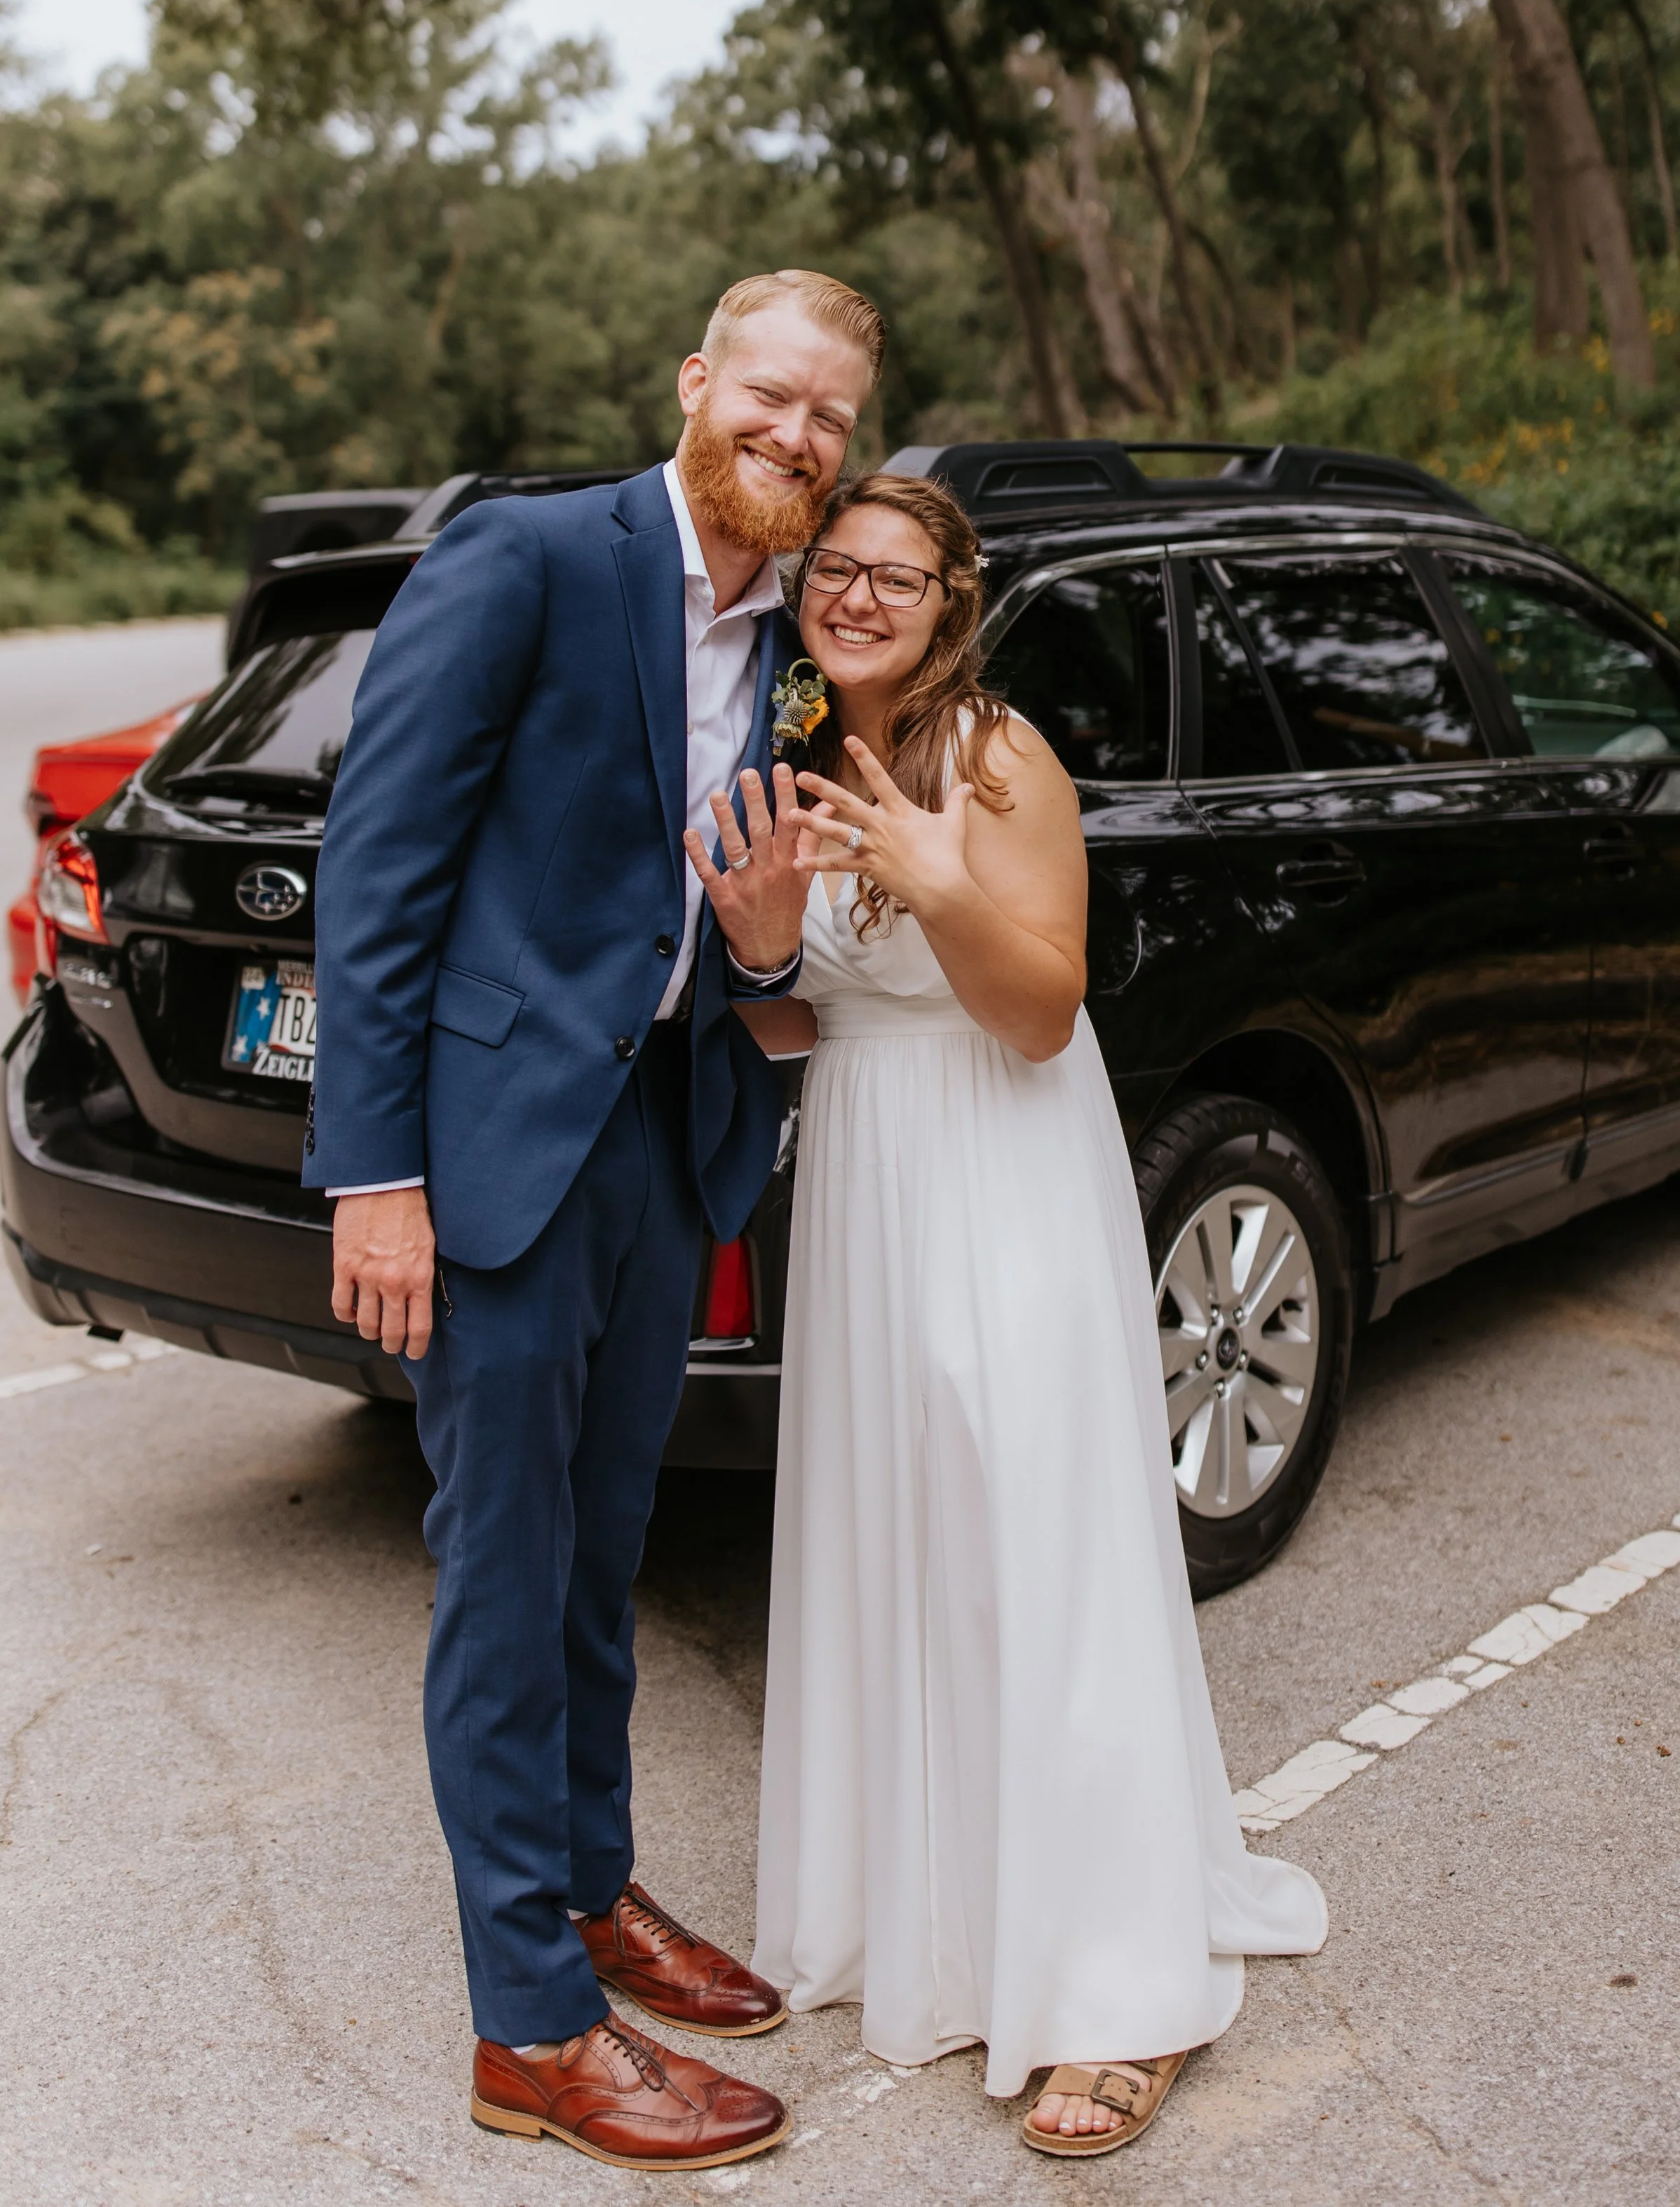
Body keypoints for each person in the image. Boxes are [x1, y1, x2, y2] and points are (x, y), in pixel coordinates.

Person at [306, 269, 884, 2173]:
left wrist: (767, 951)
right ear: (698, 379)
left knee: (603, 1547)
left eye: (831, 419)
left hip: (662, 1132)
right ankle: (531, 2028)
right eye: (773, 394)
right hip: (487, 1151)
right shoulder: (527, 559)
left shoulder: (790, 642)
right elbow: (380, 873)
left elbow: (753, 904)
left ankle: (587, 1881)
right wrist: (374, 1173)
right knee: (500, 1569)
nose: (796, 436)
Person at [719, 471, 1329, 2159]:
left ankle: (1111, 1984)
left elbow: (1041, 1010)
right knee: (897, 1536)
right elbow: (803, 1036)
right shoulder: (785, 757)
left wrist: (934, 877)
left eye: (892, 574)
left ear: (948, 595)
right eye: (832, 568)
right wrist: (768, 958)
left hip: (1003, 1179)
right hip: (866, 1182)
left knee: (1029, 1539)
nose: (854, 595)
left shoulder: (992, 754)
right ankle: (918, 1916)